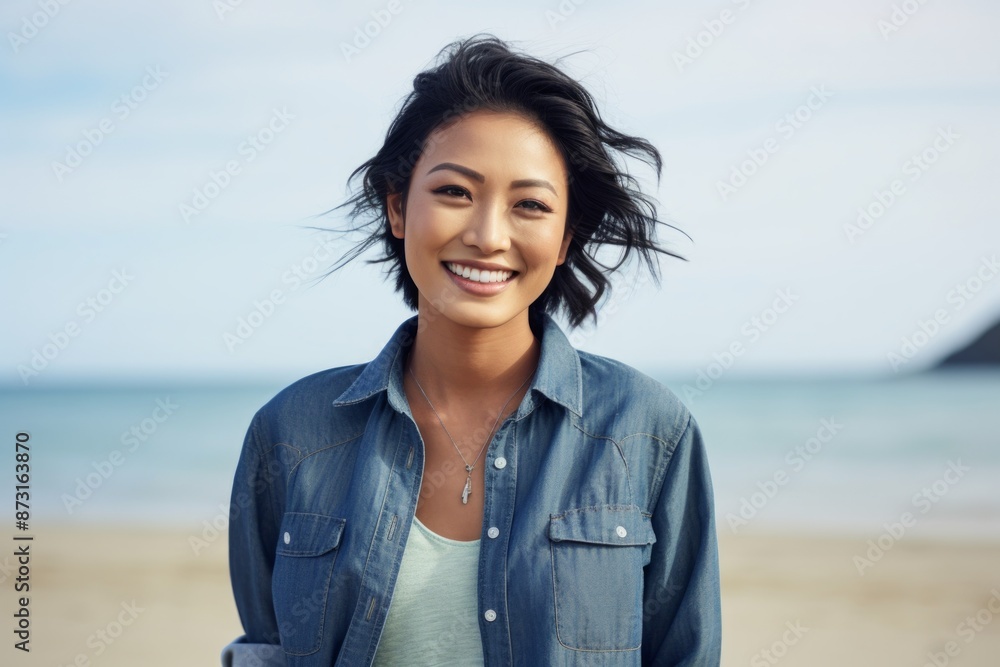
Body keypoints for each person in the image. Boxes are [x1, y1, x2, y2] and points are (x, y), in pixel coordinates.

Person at [222, 33, 721, 667]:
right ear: (399, 207)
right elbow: (271, 648)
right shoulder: (291, 431)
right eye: (455, 192)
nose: (488, 236)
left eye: (530, 205)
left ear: (566, 238)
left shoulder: (648, 431)